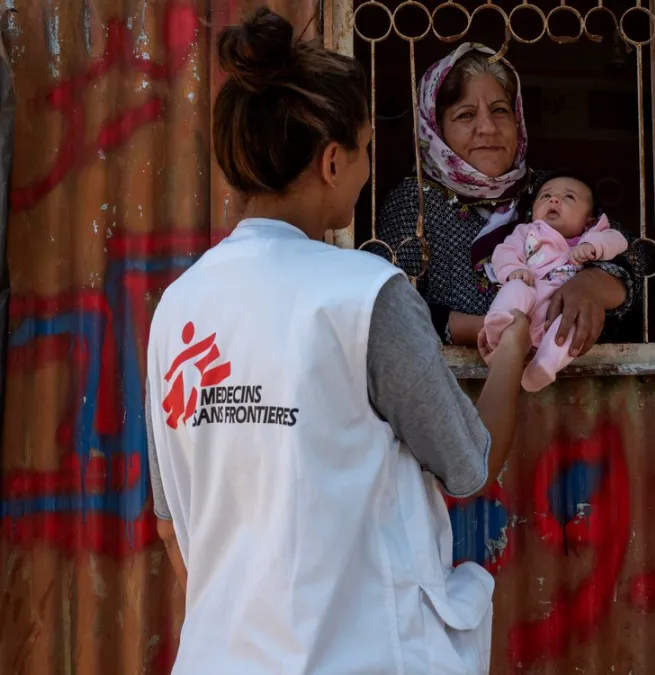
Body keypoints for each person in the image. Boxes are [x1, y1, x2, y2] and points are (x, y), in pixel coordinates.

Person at [144, 9, 530, 674]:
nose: (365, 168)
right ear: (331, 162)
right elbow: (470, 465)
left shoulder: (178, 307)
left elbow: (170, 526)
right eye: (363, 150)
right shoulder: (363, 295)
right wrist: (517, 338)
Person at [377, 42, 640, 356]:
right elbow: (390, 311)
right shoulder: (413, 202)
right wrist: (496, 331)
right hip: (458, 387)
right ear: (434, 129)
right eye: (465, 115)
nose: (487, 127)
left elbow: (635, 255)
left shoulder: (546, 190)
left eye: (500, 110)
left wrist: (590, 286)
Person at [483, 171, 628, 391]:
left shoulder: (590, 235)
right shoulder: (526, 232)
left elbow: (617, 240)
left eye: (569, 197)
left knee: (574, 323)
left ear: (588, 220)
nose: (554, 199)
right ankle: (499, 325)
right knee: (515, 289)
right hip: (530, 296)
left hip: (559, 309)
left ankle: (545, 365)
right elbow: (504, 252)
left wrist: (592, 247)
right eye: (545, 196)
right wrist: (515, 270)